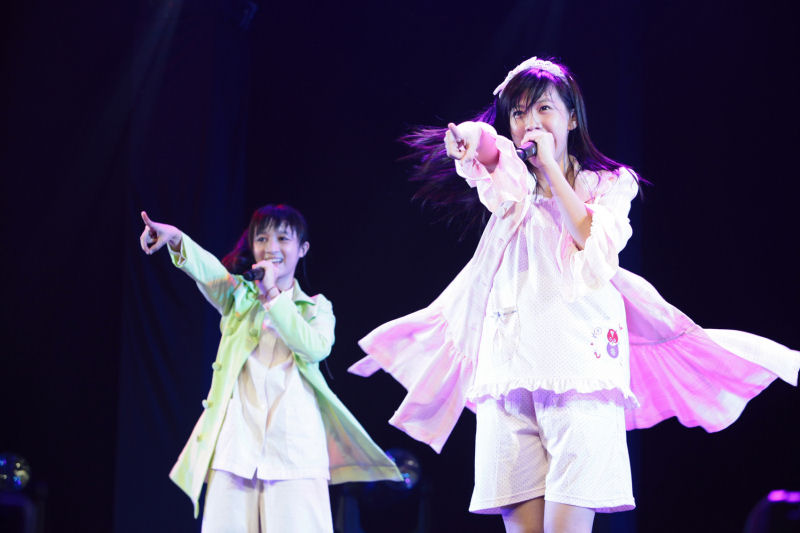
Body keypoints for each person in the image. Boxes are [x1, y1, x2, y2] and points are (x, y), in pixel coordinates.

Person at [348, 57, 800, 533]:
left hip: (580, 380)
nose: (529, 122)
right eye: (518, 112)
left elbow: (591, 242)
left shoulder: (607, 183)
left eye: (543, 108)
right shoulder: (512, 185)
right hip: (508, 381)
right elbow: (487, 148)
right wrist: (467, 137)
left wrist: (552, 170)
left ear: (571, 118)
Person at [139, 204, 401, 533]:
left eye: (283, 238)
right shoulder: (238, 296)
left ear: (302, 249)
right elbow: (208, 271)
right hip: (237, 451)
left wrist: (273, 295)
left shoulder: (316, 307)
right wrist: (177, 239)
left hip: (295, 452)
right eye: (261, 238)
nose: (271, 247)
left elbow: (315, 347)